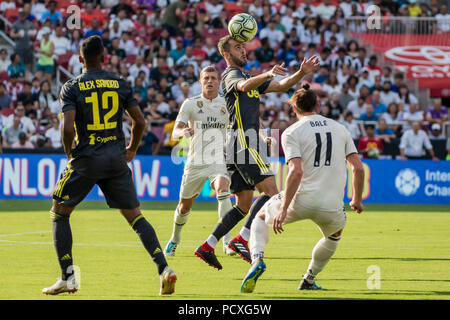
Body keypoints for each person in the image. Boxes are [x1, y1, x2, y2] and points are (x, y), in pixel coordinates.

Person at [41, 36, 176, 296]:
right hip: (116, 158)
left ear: (80, 59)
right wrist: (133, 149)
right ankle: (164, 269)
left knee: (59, 212)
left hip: (87, 158)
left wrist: (71, 154)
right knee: (135, 216)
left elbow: (67, 128)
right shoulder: (119, 83)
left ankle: (68, 277)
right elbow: (140, 122)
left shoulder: (71, 87)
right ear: (104, 57)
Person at [194, 35, 319, 270]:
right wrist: (268, 73)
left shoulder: (249, 78)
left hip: (238, 143)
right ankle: (241, 239)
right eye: (238, 48)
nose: (243, 50)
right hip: (243, 141)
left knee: (243, 204)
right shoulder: (232, 76)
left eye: (243, 46)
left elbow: (281, 86)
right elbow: (242, 86)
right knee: (272, 192)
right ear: (227, 55)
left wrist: (302, 72)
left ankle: (208, 245)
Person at [240, 84, 364, 293]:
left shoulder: (291, 132)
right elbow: (358, 168)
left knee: (259, 218)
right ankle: (309, 279)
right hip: (331, 205)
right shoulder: (340, 128)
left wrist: (284, 208)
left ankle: (257, 259)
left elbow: (296, 172)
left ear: (294, 109)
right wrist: (357, 200)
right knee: (333, 236)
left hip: (302, 199)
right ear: (318, 105)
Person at [164, 66, 235, 257]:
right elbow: (175, 131)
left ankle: (227, 242)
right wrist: (183, 132)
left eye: (213, 78)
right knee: (184, 206)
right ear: (200, 81)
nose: (210, 81)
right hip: (195, 162)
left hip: (218, 159)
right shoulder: (190, 103)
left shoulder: (226, 103)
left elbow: (240, 125)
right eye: (206, 78)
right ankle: (175, 238)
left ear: (219, 82)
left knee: (223, 189)